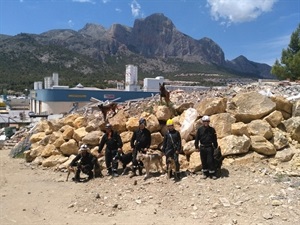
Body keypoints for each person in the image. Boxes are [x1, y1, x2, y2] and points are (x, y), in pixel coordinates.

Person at [194, 115, 218, 180]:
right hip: (202, 147)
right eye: (204, 121)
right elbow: (197, 138)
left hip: (209, 147)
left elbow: (214, 139)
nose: (206, 123)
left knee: (210, 161)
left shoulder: (212, 130)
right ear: (202, 122)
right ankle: (205, 173)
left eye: (207, 121)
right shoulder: (200, 130)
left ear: (209, 122)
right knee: (203, 161)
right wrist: (196, 146)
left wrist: (216, 146)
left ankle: (212, 174)